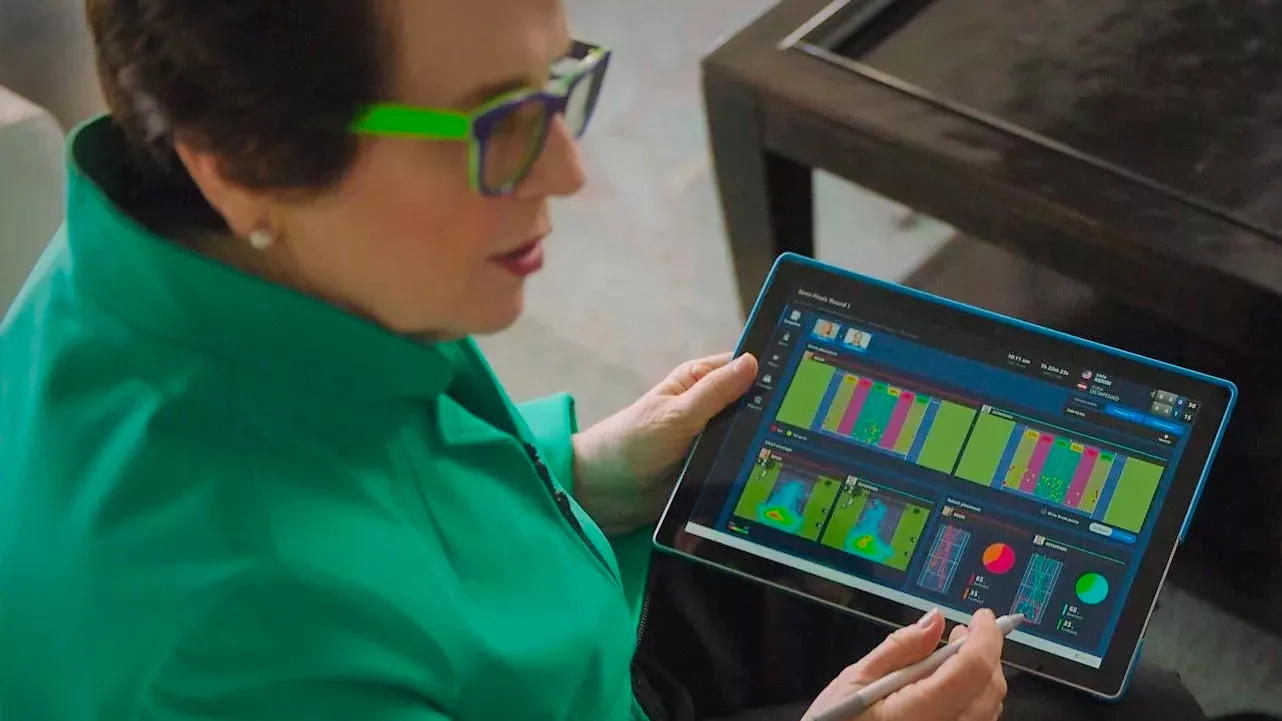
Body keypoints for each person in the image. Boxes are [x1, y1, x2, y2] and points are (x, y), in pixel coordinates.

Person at [0, 0, 1208, 719]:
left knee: (1099, 670)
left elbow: (364, 474)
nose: (570, 175)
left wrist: (574, 471)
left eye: (554, 84)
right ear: (238, 161)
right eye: (496, 126)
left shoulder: (160, 247)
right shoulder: (229, 647)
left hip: (565, 634)